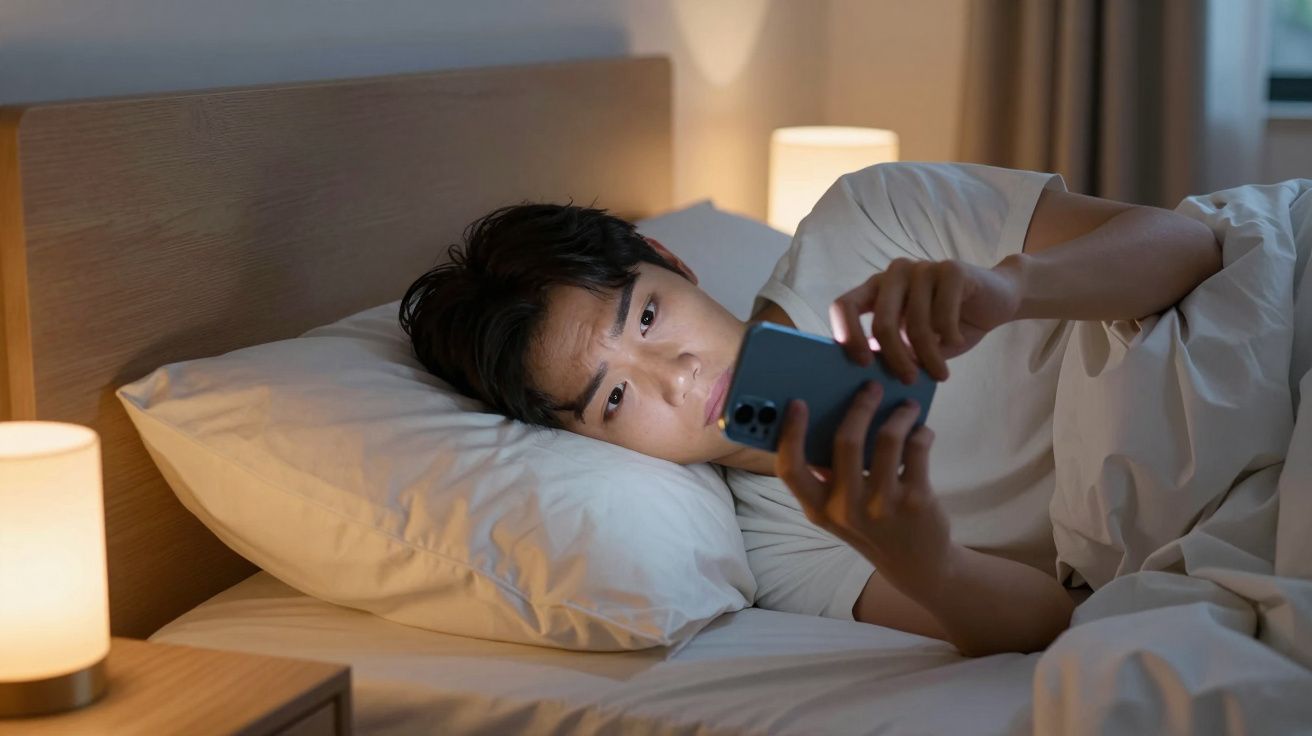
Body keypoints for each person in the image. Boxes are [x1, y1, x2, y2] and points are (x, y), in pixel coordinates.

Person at [399, 163, 1221, 656]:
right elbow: (1057, 622)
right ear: (583, 439)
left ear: (670, 259)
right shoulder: (779, 547)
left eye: (647, 317)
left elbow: (1191, 246)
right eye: (614, 398)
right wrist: (929, 561)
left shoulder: (867, 218)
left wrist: (1012, 288)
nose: (677, 377)